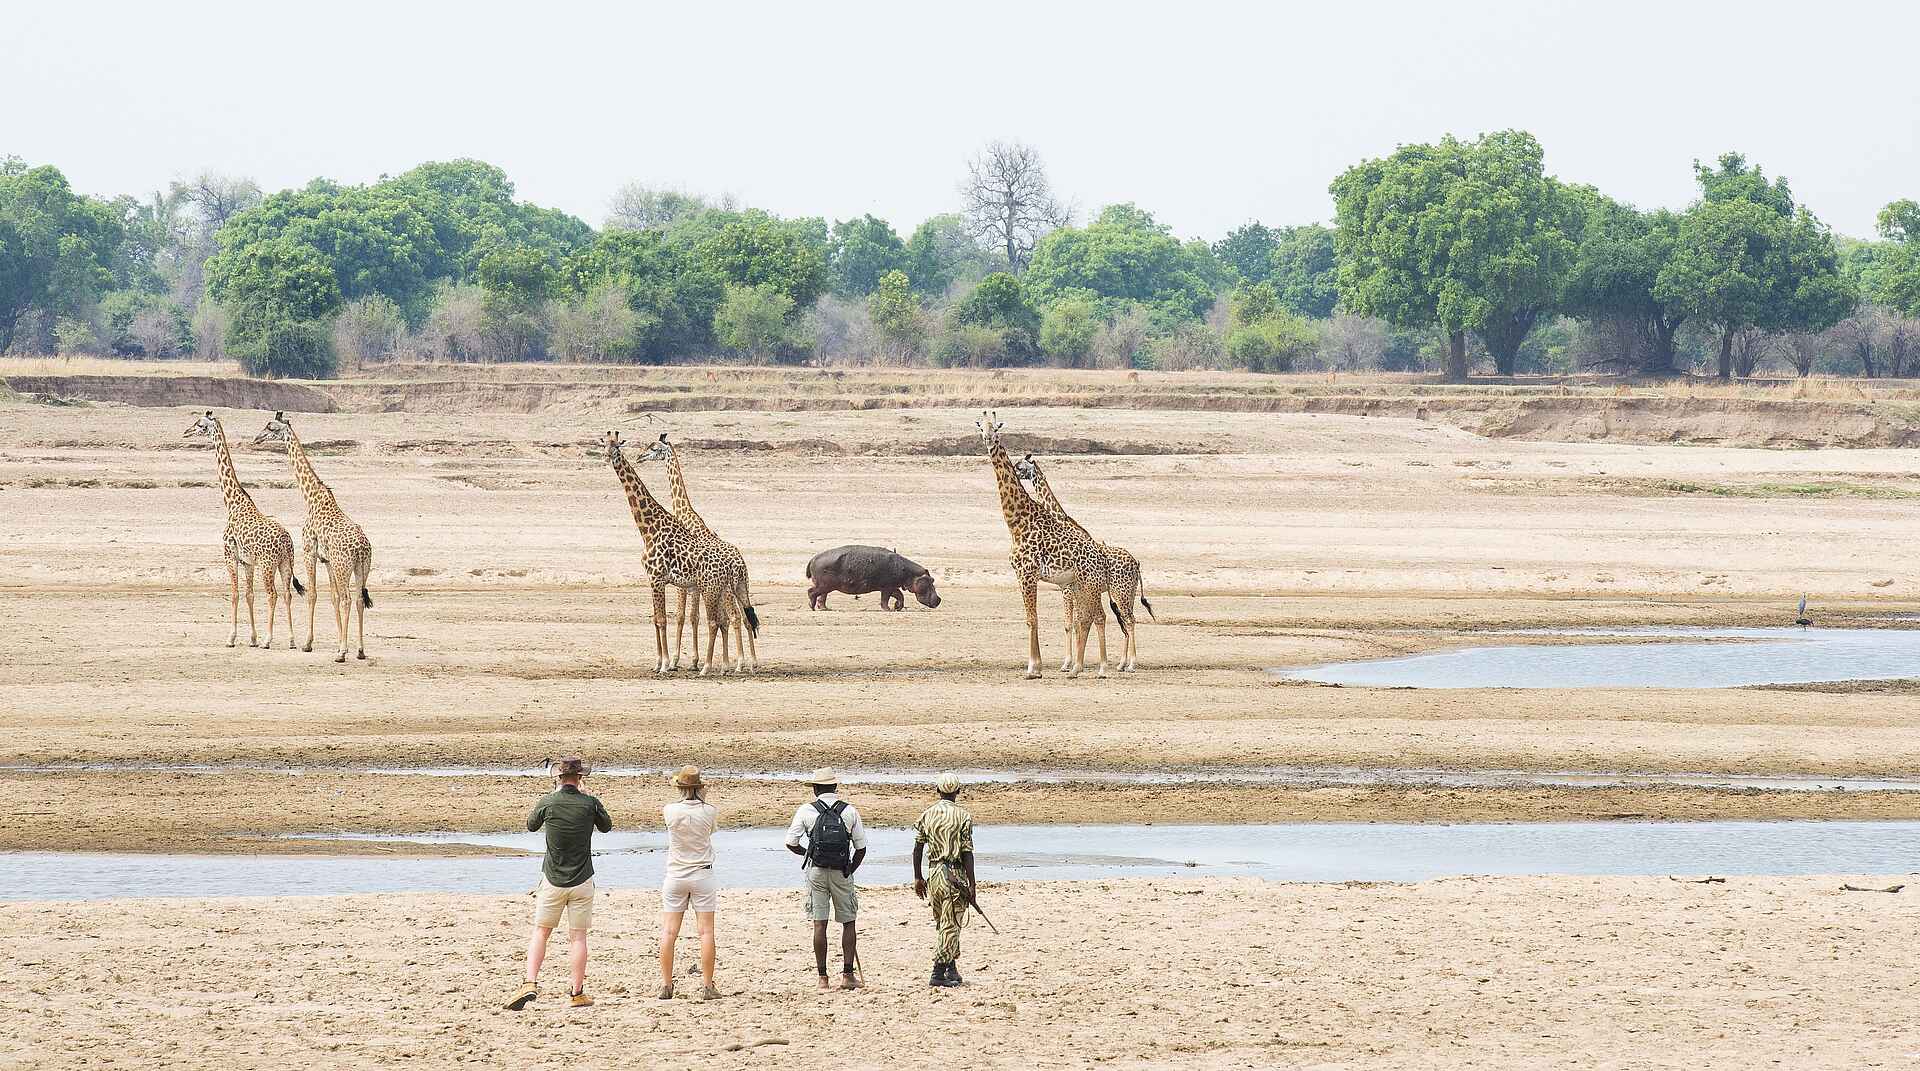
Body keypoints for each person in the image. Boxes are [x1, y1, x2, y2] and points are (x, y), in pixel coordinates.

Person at [506, 756, 612, 1011]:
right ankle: (576, 992)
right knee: (578, 937)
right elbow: (606, 826)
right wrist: (588, 798)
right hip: (583, 878)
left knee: (541, 932)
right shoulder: (589, 803)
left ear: (558, 778)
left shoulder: (548, 802)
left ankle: (530, 982)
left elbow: (531, 826)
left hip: (552, 878)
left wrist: (553, 798)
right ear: (580, 778)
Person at [783, 767, 868, 991]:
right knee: (848, 922)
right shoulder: (849, 811)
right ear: (835, 787)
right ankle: (848, 975)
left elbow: (790, 842)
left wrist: (808, 854)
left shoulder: (806, 811)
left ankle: (823, 978)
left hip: (817, 872)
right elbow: (861, 848)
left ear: (815, 789)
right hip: (842, 871)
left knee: (819, 924)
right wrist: (850, 869)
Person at [660, 765, 720, 1001]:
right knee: (706, 932)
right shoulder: (709, 811)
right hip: (702, 875)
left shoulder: (670, 810)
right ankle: (707, 985)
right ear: (699, 787)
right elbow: (709, 831)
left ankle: (666, 984)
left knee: (668, 931)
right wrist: (702, 799)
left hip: (675, 875)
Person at [912, 771, 976, 987]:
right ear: (958, 791)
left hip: (934, 874)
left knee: (943, 921)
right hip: (953, 874)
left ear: (938, 791)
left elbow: (917, 848)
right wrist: (972, 883)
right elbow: (967, 852)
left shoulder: (927, 814)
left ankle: (951, 968)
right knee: (951, 924)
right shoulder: (963, 816)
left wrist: (918, 877)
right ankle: (938, 972)